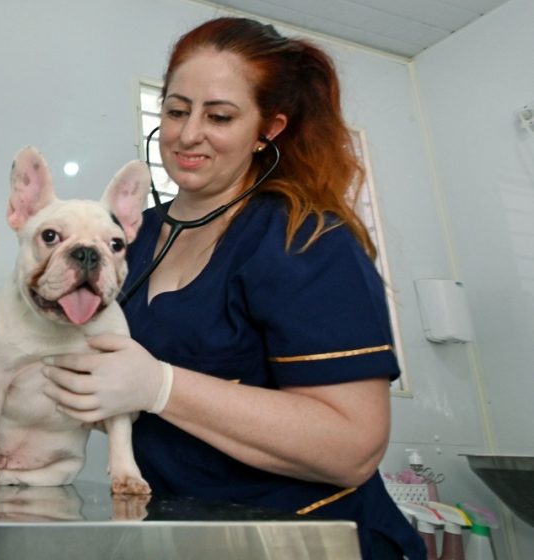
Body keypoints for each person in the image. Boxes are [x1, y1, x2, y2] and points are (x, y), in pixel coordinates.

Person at [40, 16, 425, 560]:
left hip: (312, 540)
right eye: (176, 110)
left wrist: (161, 386)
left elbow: (352, 446)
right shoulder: (130, 238)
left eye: (219, 116)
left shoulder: (304, 237)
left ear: (268, 130)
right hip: (190, 535)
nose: (187, 134)